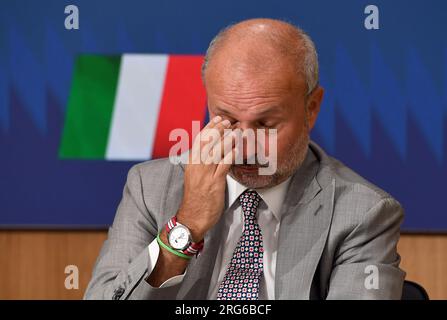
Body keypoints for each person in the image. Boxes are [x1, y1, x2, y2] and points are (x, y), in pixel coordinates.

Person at [84, 18, 405, 300]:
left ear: (311, 109)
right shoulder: (150, 187)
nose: (244, 145)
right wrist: (186, 225)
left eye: (265, 125)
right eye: (227, 119)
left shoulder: (362, 212)